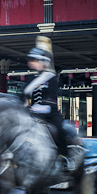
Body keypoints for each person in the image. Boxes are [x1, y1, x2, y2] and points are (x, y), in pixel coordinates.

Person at [23, 36, 73, 171]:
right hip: (32, 113)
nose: (32, 63)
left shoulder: (51, 78)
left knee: (59, 129)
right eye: (32, 60)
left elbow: (51, 98)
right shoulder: (30, 78)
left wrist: (39, 108)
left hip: (49, 113)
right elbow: (25, 95)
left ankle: (64, 157)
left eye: (35, 60)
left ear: (43, 62)